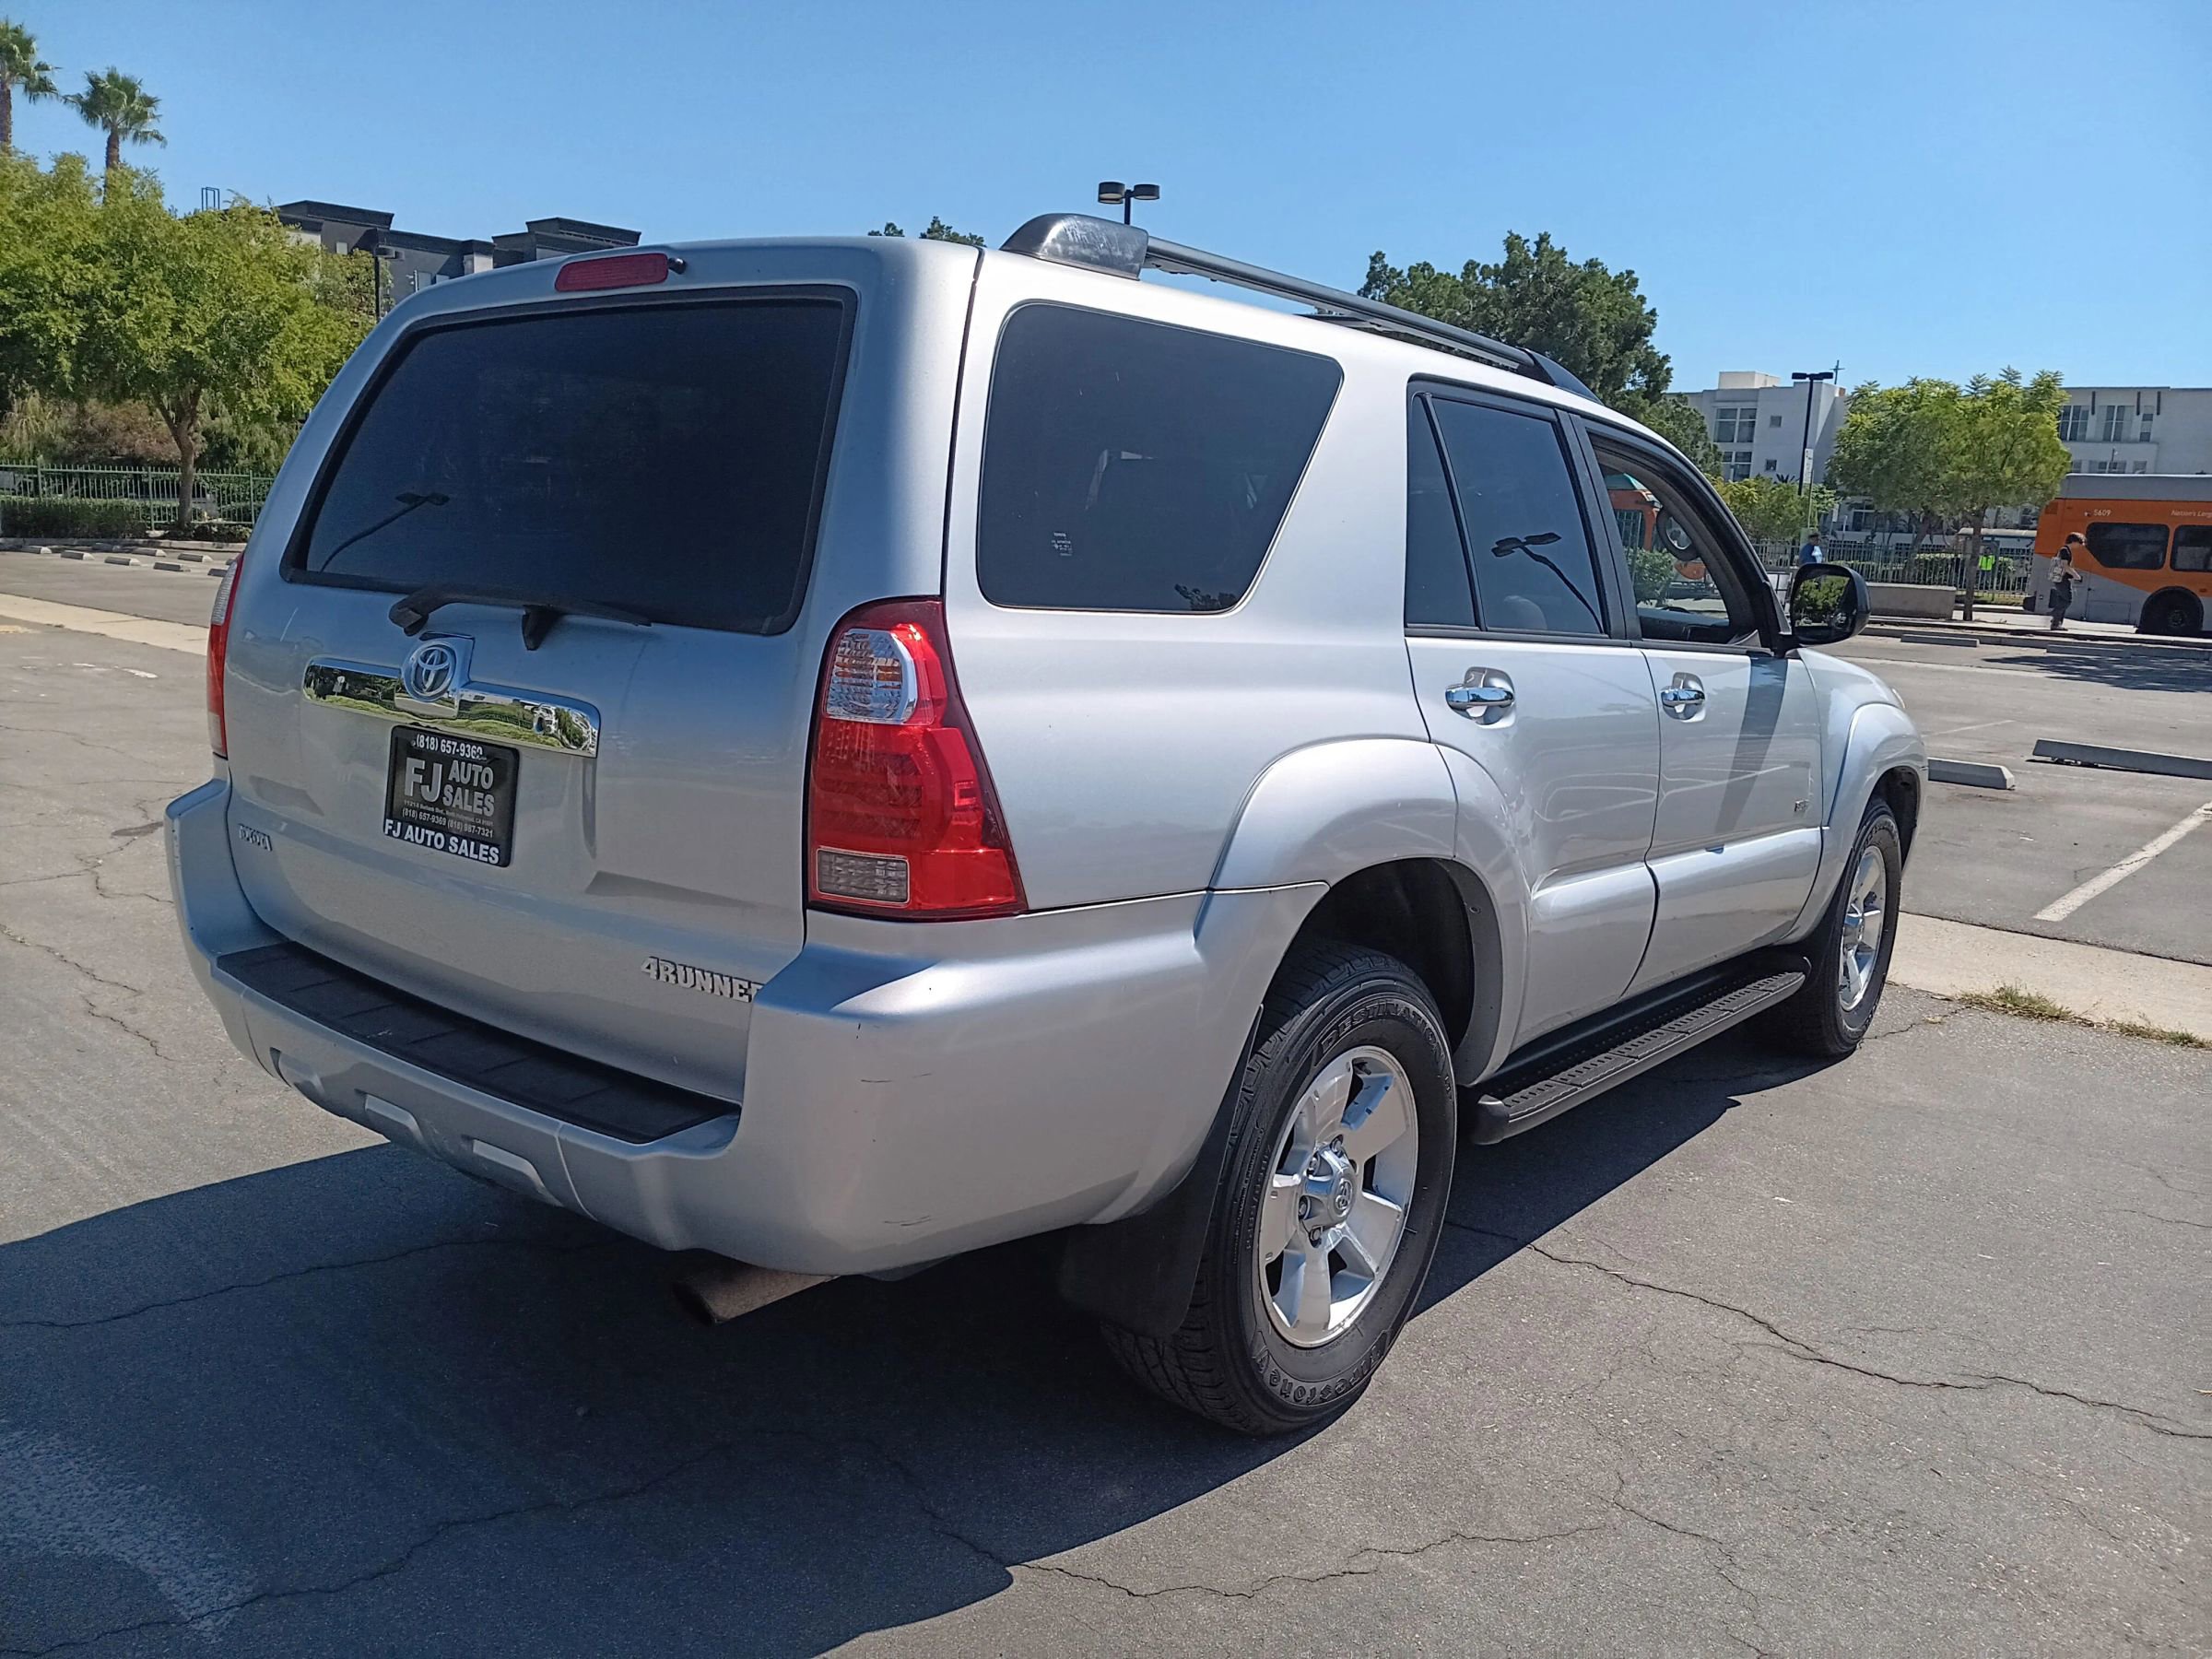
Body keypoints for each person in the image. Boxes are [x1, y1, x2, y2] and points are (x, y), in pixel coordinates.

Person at [2048, 534, 2084, 630]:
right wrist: (2076, 576)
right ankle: (2054, 614)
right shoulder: (2065, 551)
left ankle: (2056, 624)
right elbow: (2065, 566)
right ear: (2074, 541)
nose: (2080, 545)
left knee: (2062, 600)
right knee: (2067, 600)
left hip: (2059, 579)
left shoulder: (2064, 550)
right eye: (2080, 543)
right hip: (2062, 579)